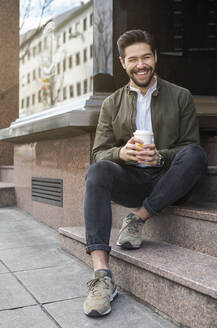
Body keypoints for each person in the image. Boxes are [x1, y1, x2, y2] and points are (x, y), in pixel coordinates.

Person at [83, 29, 207, 317]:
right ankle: (102, 277)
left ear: (155, 58)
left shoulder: (181, 96)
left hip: (169, 181)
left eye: (146, 57)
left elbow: (190, 147)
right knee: (99, 170)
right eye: (133, 59)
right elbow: (98, 153)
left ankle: (137, 219)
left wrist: (160, 157)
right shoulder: (111, 103)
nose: (141, 65)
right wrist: (120, 154)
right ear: (122, 63)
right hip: (132, 181)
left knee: (196, 155)